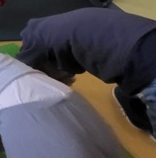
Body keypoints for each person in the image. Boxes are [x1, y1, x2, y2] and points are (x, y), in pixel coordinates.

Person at [16, 7, 156, 139]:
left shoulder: (43, 34)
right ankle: (131, 97)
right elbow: (25, 73)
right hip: (141, 48)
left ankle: (131, 96)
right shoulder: (43, 43)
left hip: (143, 43)